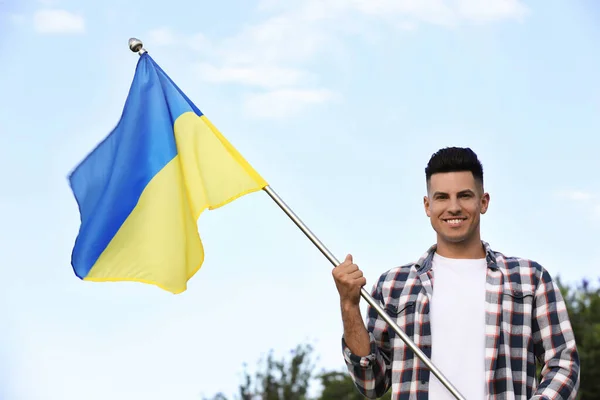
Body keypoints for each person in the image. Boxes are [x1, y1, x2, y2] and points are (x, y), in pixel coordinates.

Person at [332, 147, 580, 400]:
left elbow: (563, 364)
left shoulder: (530, 279)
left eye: (464, 196)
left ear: (483, 202)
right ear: (428, 206)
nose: (453, 207)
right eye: (441, 197)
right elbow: (371, 382)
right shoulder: (392, 285)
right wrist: (349, 305)